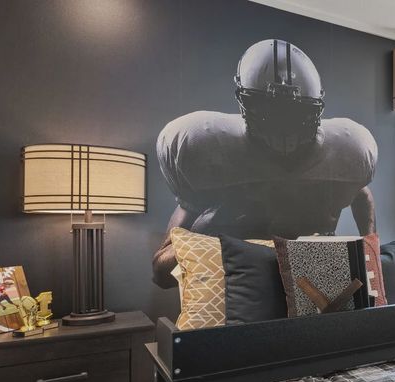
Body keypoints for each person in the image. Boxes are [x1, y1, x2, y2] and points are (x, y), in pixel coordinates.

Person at [151, 39, 379, 288]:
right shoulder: (202, 151)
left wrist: (370, 250)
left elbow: (360, 193)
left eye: (294, 115)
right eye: (271, 113)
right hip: (242, 290)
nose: (285, 132)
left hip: (311, 287)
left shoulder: (348, 154)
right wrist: (216, 240)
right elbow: (161, 274)